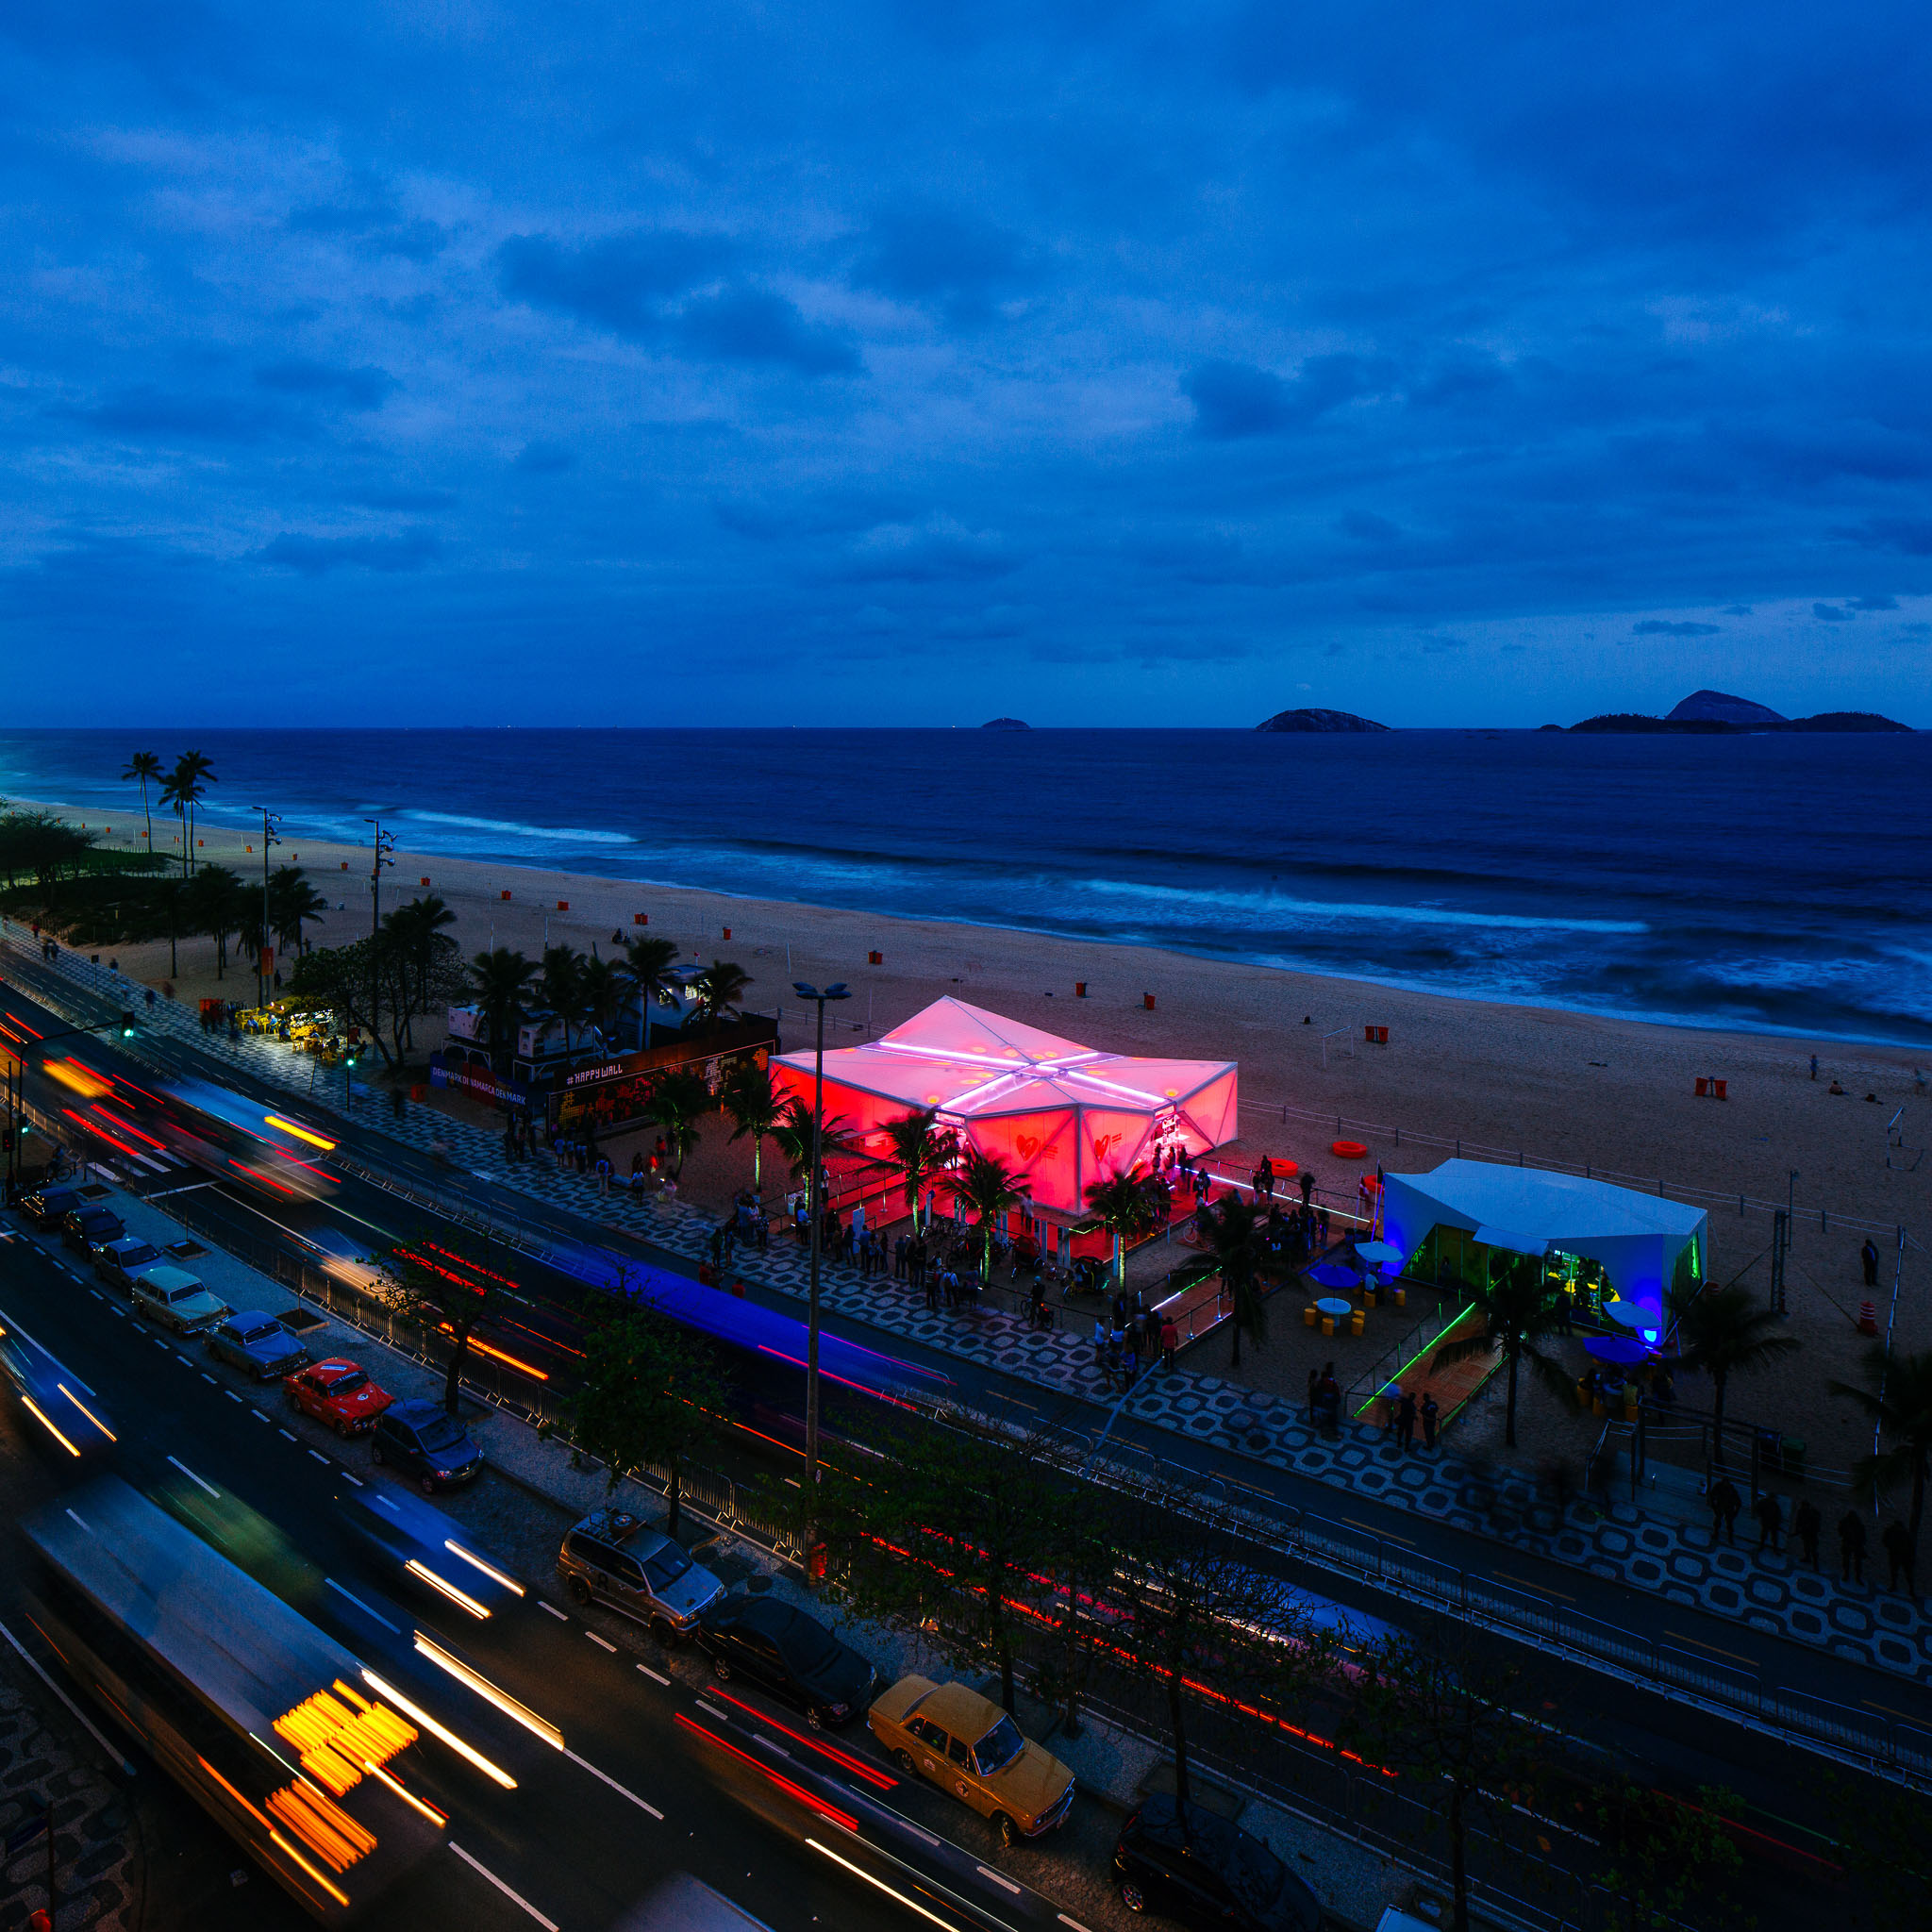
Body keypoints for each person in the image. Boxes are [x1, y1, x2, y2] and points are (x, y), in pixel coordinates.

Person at [1882, 1520, 1916, 1595]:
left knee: (1906, 1574)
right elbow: (1885, 1540)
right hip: (1897, 1555)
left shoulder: (1904, 1533)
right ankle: (1896, 1586)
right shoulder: (1894, 1531)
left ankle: (1910, 1589)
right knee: (1895, 1572)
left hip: (1903, 1556)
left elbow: (1911, 1546)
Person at [1707, 1475, 1741, 1546]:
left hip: (1728, 1507)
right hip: (1721, 1506)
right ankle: (1716, 1534)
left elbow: (1738, 1502)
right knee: (1718, 1521)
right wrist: (1713, 1506)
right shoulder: (1719, 1487)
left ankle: (1729, 1537)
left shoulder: (1732, 1490)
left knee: (1729, 1523)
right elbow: (1712, 1496)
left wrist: (1735, 1512)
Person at [1838, 1509, 1867, 1584]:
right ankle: (1849, 1575)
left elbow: (1862, 1535)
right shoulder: (1848, 1522)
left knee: (1856, 1562)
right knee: (1848, 1560)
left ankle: (1855, 1576)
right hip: (1849, 1543)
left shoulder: (1857, 1524)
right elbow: (1840, 1530)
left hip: (1855, 1544)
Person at [1793, 1498, 1822, 1569]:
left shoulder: (1813, 1513)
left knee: (1814, 1549)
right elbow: (1798, 1521)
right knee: (1806, 1547)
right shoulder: (1801, 1511)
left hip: (1812, 1533)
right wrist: (1797, 1530)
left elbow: (1816, 1523)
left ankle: (1815, 1563)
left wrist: (1809, 1528)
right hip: (1805, 1533)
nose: (1803, 1507)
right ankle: (1807, 1558)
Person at [1753, 1490, 1783, 1554]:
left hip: (1773, 1523)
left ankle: (1774, 1548)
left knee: (1773, 1536)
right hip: (1766, 1521)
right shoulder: (1764, 1502)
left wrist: (1779, 1521)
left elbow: (1778, 1514)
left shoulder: (1774, 1504)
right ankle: (1763, 1546)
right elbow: (1757, 1509)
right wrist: (1761, 1516)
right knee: (1764, 1535)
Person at [1396, 1388, 1418, 1452]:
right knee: (1408, 1434)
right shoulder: (1412, 1405)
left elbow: (1399, 1399)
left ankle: (1399, 1442)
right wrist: (1415, 1417)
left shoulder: (1405, 1400)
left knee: (1400, 1431)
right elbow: (1413, 1414)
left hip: (1402, 1418)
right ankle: (1406, 1447)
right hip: (1408, 1422)